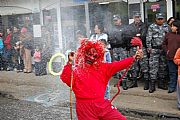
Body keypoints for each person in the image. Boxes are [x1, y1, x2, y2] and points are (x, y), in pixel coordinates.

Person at [60, 39, 143, 120]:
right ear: (84, 53)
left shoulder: (103, 68)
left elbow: (119, 64)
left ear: (98, 57)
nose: (91, 57)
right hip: (84, 108)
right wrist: (69, 63)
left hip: (102, 105)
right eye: (89, 54)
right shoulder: (76, 70)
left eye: (95, 56)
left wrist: (134, 58)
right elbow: (66, 78)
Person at [146, 13, 170, 93]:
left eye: (161, 19)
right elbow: (148, 38)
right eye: (158, 19)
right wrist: (149, 48)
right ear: (156, 19)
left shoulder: (167, 27)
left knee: (163, 67)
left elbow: (169, 38)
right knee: (153, 67)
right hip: (154, 50)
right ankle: (152, 85)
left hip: (163, 50)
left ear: (164, 19)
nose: (160, 20)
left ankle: (161, 83)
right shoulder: (151, 27)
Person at [125, 12, 149, 90]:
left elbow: (143, 35)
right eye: (136, 17)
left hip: (142, 47)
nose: (137, 18)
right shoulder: (130, 26)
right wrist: (137, 35)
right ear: (133, 17)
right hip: (133, 48)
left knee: (144, 65)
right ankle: (134, 82)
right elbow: (128, 36)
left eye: (138, 17)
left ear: (140, 17)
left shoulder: (144, 25)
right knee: (133, 65)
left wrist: (135, 36)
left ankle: (146, 83)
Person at [108, 14, 128, 90]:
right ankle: (120, 81)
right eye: (114, 20)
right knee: (117, 66)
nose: (115, 22)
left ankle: (124, 81)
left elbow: (127, 38)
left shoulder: (124, 28)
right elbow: (110, 39)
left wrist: (127, 47)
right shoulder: (111, 29)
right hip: (115, 49)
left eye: (117, 20)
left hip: (122, 48)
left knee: (123, 65)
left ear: (120, 20)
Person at [162, 20, 180, 93]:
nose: (172, 27)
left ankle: (178, 88)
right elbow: (164, 44)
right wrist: (167, 51)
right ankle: (172, 87)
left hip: (178, 58)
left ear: (177, 27)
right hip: (170, 57)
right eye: (171, 26)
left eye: (173, 26)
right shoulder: (168, 35)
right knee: (172, 73)